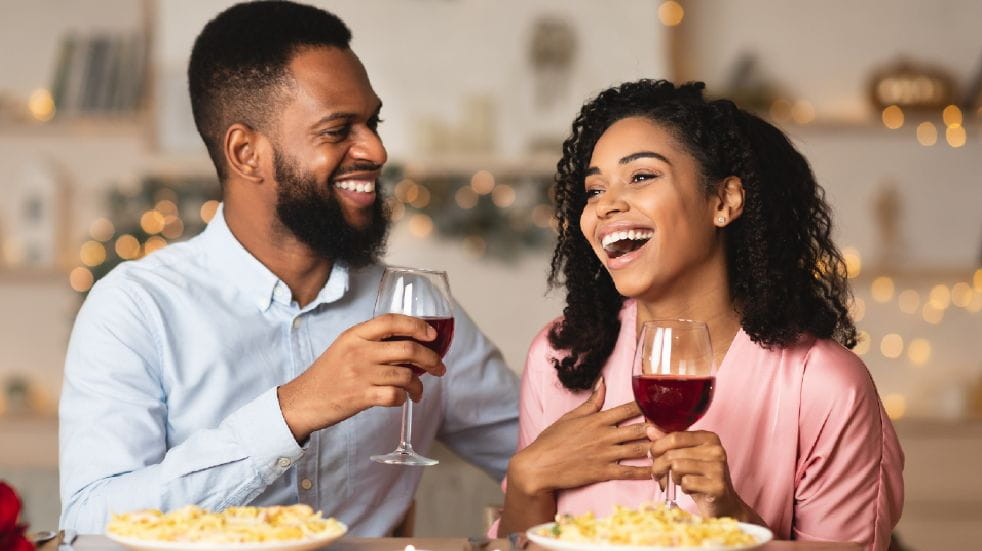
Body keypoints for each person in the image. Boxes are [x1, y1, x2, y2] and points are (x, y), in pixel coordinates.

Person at [59, 0, 518, 535]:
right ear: (245, 152)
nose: (376, 149)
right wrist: (291, 411)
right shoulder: (136, 309)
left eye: (372, 122)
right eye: (337, 130)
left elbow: (532, 451)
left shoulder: (413, 307)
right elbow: (87, 526)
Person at [497, 80, 903, 550]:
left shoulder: (824, 383)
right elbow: (516, 544)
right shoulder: (562, 355)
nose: (606, 204)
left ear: (724, 201)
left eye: (642, 176)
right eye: (594, 188)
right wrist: (528, 477)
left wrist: (730, 517)